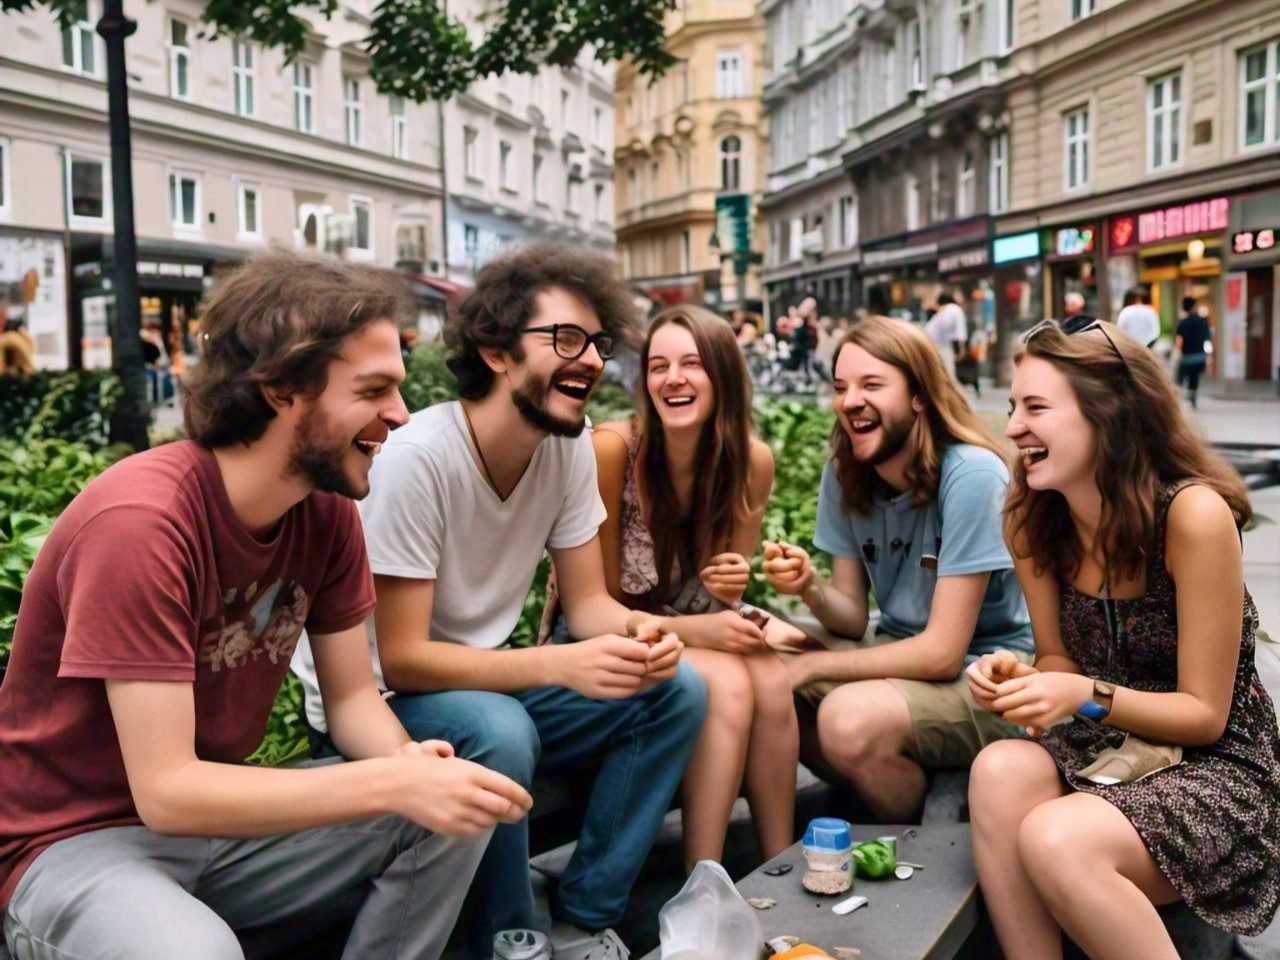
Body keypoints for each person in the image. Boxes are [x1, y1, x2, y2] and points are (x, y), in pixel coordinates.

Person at [0, 252, 532, 960]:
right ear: (282, 388)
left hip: (216, 832)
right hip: (72, 844)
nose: (400, 415)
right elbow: (167, 792)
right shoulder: (142, 522)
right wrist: (389, 780)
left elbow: (350, 701)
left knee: (450, 810)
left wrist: (410, 764)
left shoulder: (327, 511)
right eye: (373, 390)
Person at [293, 244, 707, 960]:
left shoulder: (566, 445)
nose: (590, 360)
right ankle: (512, 942)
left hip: (479, 686)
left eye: (598, 343)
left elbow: (590, 603)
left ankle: (586, 915)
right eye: (565, 339)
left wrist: (645, 632)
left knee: (675, 691)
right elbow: (405, 658)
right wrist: (561, 667)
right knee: (502, 730)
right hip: (380, 707)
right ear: (494, 351)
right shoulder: (416, 458)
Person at [967, 316, 1280, 959]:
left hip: (1213, 765)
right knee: (998, 768)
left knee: (1057, 837)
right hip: (1103, 746)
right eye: (1012, 406)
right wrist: (1025, 680)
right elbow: (1057, 656)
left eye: (1035, 407)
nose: (1013, 427)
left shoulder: (1192, 516)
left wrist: (1083, 692)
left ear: (1108, 416)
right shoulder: (1031, 520)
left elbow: (1204, 715)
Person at [762, 315, 1033, 822]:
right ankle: (901, 784)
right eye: (841, 387)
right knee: (756, 665)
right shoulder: (845, 474)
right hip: (894, 652)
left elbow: (940, 655)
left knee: (845, 720)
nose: (850, 401)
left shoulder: (972, 475)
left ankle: (919, 835)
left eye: (872, 384)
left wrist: (811, 666)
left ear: (918, 397)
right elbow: (848, 616)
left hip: (990, 675)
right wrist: (811, 588)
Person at [592, 305, 799, 871]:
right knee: (732, 683)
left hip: (693, 630)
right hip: (609, 635)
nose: (672, 378)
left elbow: (717, 600)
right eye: (658, 366)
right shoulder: (611, 451)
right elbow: (597, 603)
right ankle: (702, 880)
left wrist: (729, 582)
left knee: (771, 680)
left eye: (691, 364)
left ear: (723, 377)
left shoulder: (750, 461)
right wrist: (701, 624)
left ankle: (778, 861)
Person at [1175, 297, 1212, 409]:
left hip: (1186, 357)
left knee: (1180, 378)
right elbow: (1208, 337)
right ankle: (1193, 398)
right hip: (1200, 356)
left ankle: (1178, 399)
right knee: (1194, 378)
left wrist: (1179, 351)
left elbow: (1178, 339)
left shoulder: (1183, 322)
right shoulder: (1202, 321)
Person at [925, 292, 968, 379]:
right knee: (948, 371)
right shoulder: (954, 310)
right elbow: (959, 333)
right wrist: (960, 348)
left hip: (933, 343)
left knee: (941, 371)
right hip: (942, 344)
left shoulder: (946, 311)